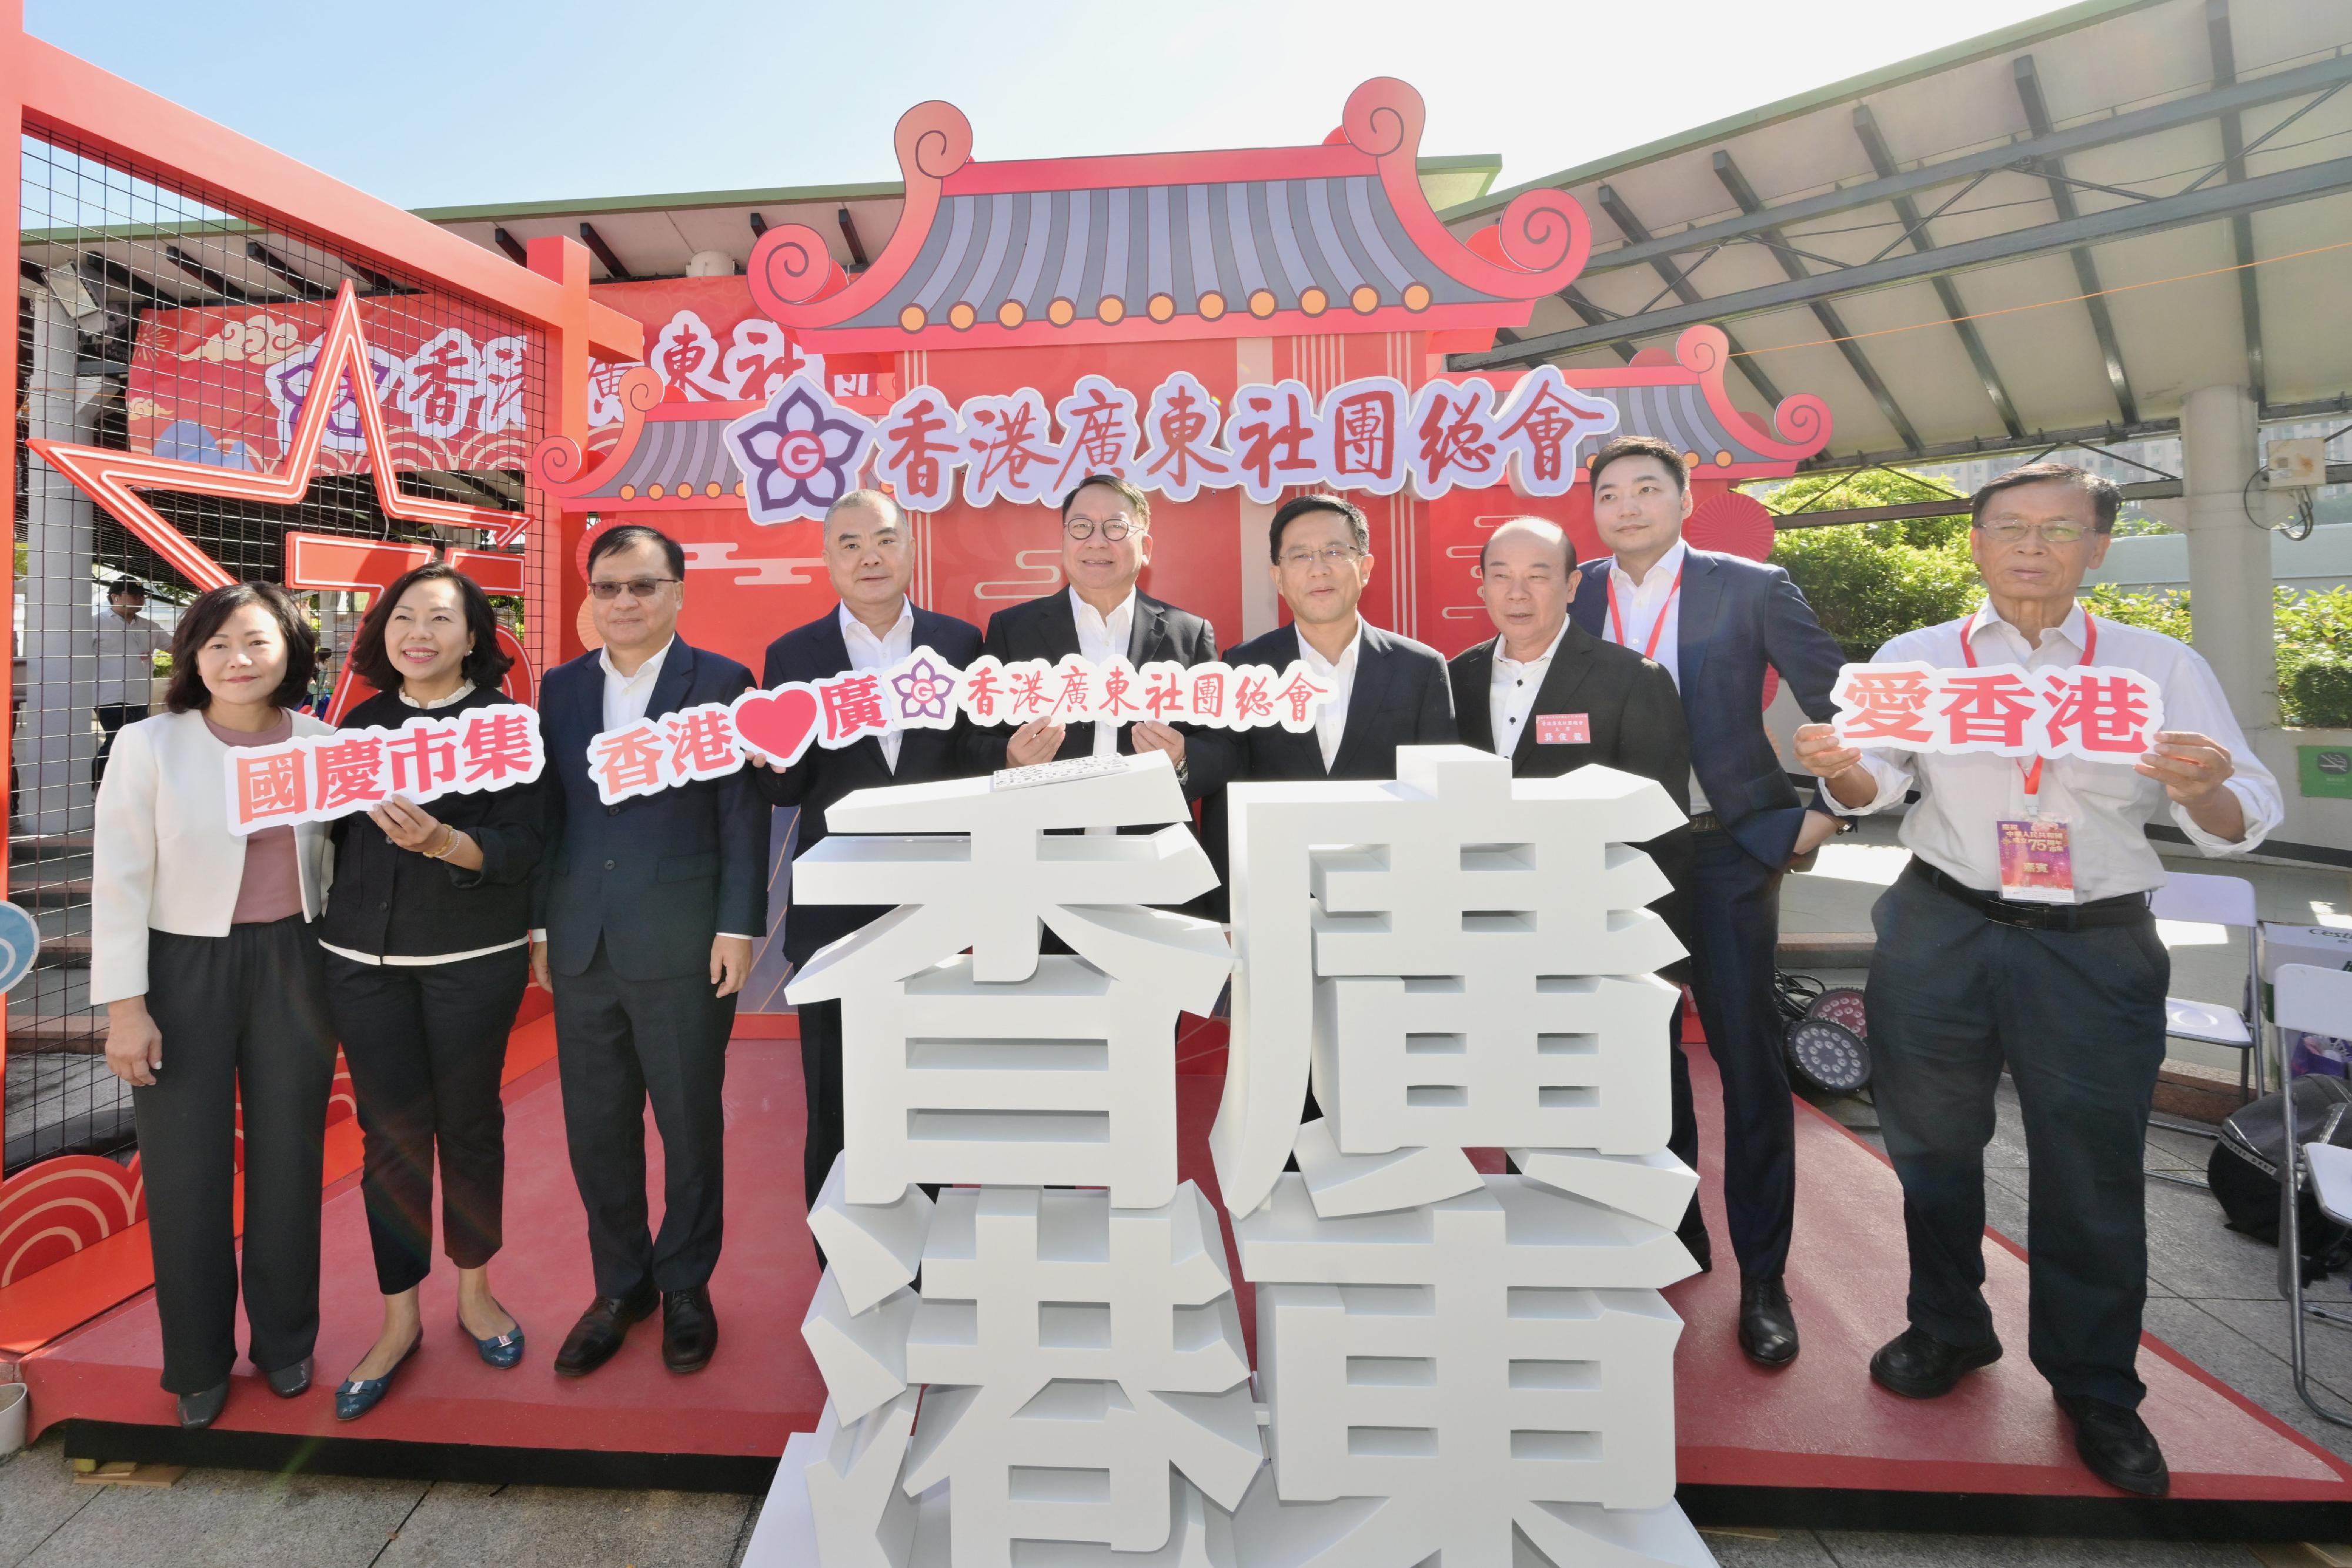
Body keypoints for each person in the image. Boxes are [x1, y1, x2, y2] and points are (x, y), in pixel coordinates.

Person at [1793, 463, 2281, 1497]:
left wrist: (2206, 790)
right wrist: (1837, 766)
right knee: (1928, 1144)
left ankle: (2097, 1382)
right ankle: (1948, 1325)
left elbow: (2241, 810)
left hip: (2092, 942)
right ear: (1973, 542)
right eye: (2009, 526)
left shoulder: (2156, 665)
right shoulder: (1918, 659)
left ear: (2098, 547)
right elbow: (1875, 779)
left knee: (2091, 1165)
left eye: (2060, 530)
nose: (2031, 546)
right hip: (1942, 922)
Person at [1571, 434, 1846, 1368]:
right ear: (1595, 510)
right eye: (1612, 491)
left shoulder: (1752, 586)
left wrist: (1828, 812)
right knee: (1639, 1055)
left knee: (1748, 1055)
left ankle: (1764, 1276)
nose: (1630, 504)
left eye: (1649, 488)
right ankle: (1675, 1230)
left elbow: (1845, 706)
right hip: (1615, 855)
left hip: (1728, 847)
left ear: (1686, 500)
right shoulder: (1578, 594)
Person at [90, 581, 336, 1429]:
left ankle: (286, 1338)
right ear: (193, 653)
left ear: (290, 652)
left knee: (290, 1156)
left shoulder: (321, 740)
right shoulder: (149, 744)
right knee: (187, 1170)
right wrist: (127, 1007)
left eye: (259, 641)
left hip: (296, 961)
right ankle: (195, 1359)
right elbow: (118, 878)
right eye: (220, 642)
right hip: (180, 965)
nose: (239, 659)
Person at [532, 526, 769, 1378]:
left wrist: (739, 927)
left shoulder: (721, 681)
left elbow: (740, 815)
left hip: (684, 940)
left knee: (688, 1122)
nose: (624, 603)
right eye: (608, 588)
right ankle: (620, 1285)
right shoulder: (558, 689)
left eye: (642, 586)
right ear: (591, 596)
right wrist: (544, 927)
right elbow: (550, 816)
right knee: (596, 1128)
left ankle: (686, 1286)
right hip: (584, 940)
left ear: (677, 591)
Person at [319, 563, 543, 1420]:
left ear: (473, 637)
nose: (421, 631)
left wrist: (452, 842)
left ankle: (477, 1291)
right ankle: (398, 1316)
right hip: (359, 963)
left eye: (442, 618)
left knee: (471, 1124)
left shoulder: (507, 727)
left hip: (471, 959)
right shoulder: (356, 725)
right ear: (383, 634)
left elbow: (526, 844)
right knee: (391, 1137)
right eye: (405, 616)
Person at [1451, 516, 1704, 1257]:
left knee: (1644, 1080)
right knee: (1526, 1081)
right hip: (1497, 929)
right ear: (1482, 585)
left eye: (1538, 575)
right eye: (1501, 574)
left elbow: (1663, 824)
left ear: (1571, 585)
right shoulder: (1455, 676)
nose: (1518, 592)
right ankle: (1542, 1222)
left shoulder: (1631, 678)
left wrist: (1653, 953)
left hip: (1607, 929)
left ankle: (1670, 1231)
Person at [747, 490, 981, 1218]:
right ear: (827, 559)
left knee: (935, 1095)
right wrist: (768, 761)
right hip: (837, 916)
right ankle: (841, 1269)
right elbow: (791, 789)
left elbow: (979, 762)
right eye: (849, 544)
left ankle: (935, 1252)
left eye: (883, 540)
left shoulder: (962, 644)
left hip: (941, 908)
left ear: (910, 550)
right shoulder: (793, 653)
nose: (868, 557)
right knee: (838, 1098)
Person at [1204, 493, 1453, 907]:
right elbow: (1225, 798)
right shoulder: (1244, 667)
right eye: (1299, 556)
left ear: (1366, 567)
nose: (1318, 569)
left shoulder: (1421, 668)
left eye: (1335, 551)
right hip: (1274, 897)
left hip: (1388, 898)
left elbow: (1438, 798)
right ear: (1278, 577)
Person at [965, 474, 1222, 804]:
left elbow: (1222, 745)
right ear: (1063, 542)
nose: (1096, 542)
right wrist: (1011, 761)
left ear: (1145, 548)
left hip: (1154, 843)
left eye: (1115, 527)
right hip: (1045, 844)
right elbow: (974, 741)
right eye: (1081, 527)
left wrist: (1183, 759)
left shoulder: (1189, 633)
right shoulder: (1012, 629)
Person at [92, 576, 167, 786]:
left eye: (142, 595)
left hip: (140, 695)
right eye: (134, 595)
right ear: (115, 597)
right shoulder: (96, 623)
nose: (140, 599)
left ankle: (126, 787)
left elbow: (176, 647)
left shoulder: (149, 625)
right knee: (116, 742)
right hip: (109, 696)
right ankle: (97, 785)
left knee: (137, 743)